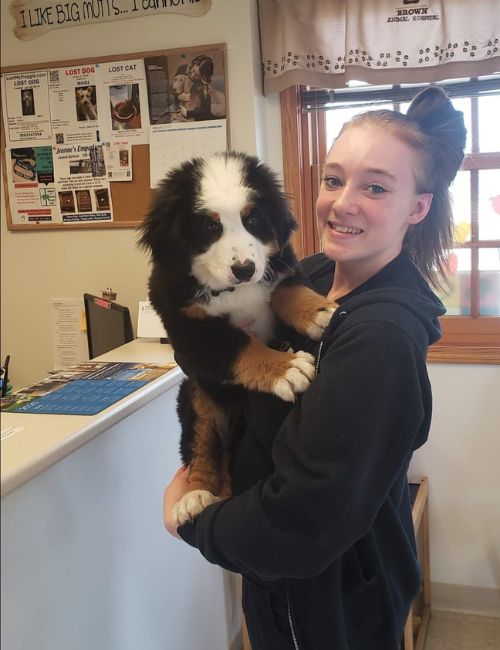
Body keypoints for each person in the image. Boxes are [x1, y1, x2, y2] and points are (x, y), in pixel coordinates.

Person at [163, 86, 466, 649]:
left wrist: (194, 524)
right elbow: (199, 343)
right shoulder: (316, 272)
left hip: (327, 596)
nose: (342, 203)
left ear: (417, 208)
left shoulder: (381, 338)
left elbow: (303, 521)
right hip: (279, 581)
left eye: (375, 187)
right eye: (333, 180)